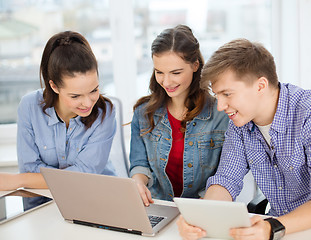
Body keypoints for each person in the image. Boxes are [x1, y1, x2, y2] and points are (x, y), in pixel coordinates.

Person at [177, 38, 311, 240]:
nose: (220, 106)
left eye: (227, 94)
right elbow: (226, 180)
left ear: (260, 86)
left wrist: (272, 227)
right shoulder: (239, 123)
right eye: (218, 95)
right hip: (277, 229)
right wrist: (202, 216)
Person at [0, 31, 116, 191]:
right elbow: (29, 168)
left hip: (94, 196)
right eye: (75, 96)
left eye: (94, 90)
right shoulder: (29, 106)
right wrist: (30, 177)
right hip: (42, 201)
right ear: (54, 86)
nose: (88, 102)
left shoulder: (105, 112)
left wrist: (21, 180)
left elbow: (85, 175)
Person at [129, 25, 229, 205]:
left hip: (204, 206)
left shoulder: (221, 114)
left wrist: (203, 206)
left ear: (195, 65)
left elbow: (226, 175)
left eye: (176, 73)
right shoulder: (143, 112)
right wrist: (137, 182)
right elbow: (139, 164)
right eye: (159, 72)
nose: (166, 82)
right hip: (157, 204)